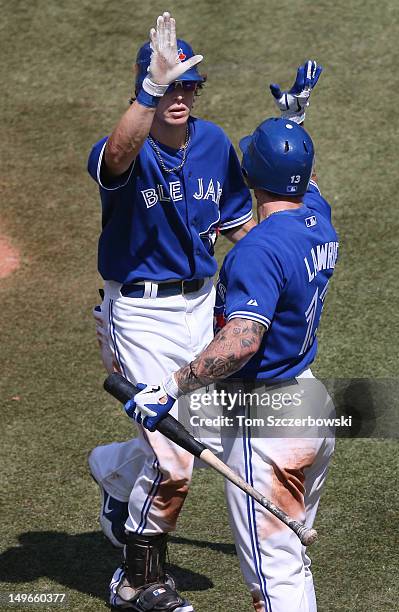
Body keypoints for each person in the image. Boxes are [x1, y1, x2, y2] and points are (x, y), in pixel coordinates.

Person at [123, 69, 339, 610]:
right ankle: (114, 468)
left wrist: (170, 385)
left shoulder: (257, 251)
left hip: (265, 424)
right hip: (310, 408)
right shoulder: (319, 218)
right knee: (292, 555)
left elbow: (241, 341)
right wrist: (293, 123)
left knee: (275, 575)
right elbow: (303, 179)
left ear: (251, 172)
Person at [87, 11, 256, 611]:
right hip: (139, 313)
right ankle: (136, 582)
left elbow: (240, 225)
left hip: (200, 308)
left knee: (195, 433)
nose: (181, 96)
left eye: (189, 84)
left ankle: (114, 474)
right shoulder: (124, 148)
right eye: (170, 84)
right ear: (148, 86)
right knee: (174, 460)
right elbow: (114, 160)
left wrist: (288, 249)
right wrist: (149, 92)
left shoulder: (214, 145)